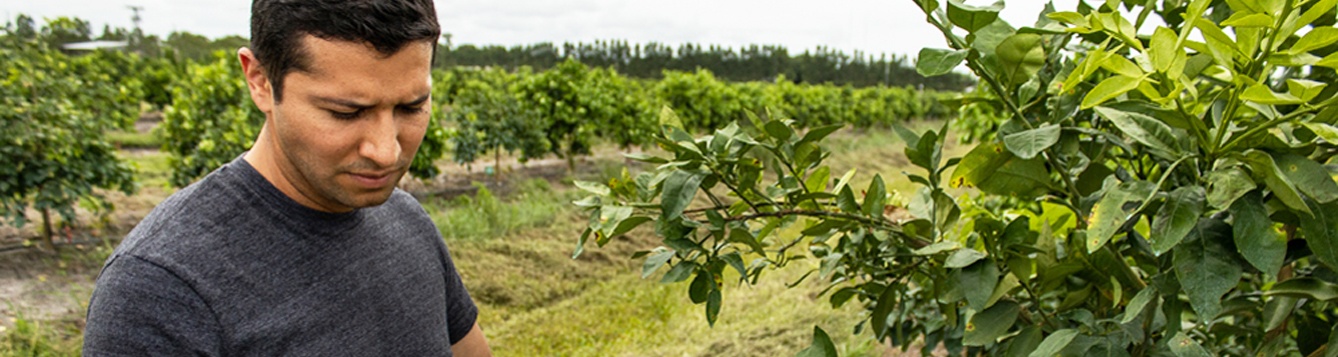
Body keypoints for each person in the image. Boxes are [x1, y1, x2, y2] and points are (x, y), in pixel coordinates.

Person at [82, 0, 492, 355]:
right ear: (259, 80)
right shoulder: (161, 289)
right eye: (345, 112)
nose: (386, 152)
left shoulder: (406, 219)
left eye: (411, 106)